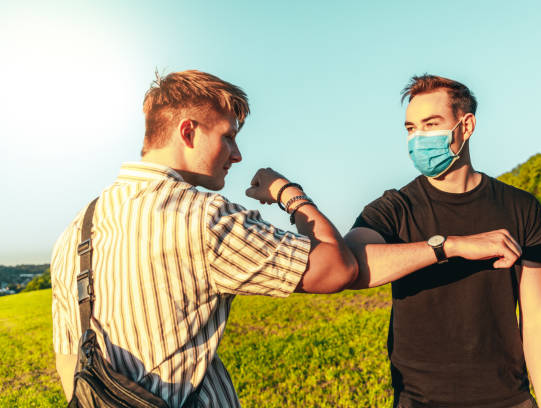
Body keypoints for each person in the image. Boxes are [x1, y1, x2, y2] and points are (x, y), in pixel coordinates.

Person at [51, 70, 362, 407]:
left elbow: (69, 361)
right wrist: (289, 193)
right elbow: (336, 267)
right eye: (228, 136)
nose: (236, 154)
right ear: (188, 132)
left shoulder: (77, 230)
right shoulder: (205, 217)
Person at [345, 75, 541, 408]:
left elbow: (536, 316)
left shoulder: (521, 206)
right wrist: (449, 246)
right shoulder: (395, 208)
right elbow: (353, 264)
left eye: (431, 125)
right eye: (411, 128)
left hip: (508, 398)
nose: (419, 138)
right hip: (420, 401)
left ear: (466, 125)